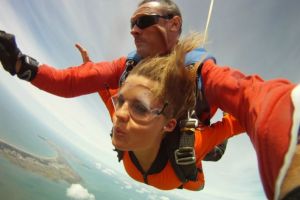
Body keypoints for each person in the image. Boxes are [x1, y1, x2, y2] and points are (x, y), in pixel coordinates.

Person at [0, 0, 299, 199]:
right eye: (132, 22)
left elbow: (251, 96)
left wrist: (289, 138)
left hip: (188, 144)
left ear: (174, 25)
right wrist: (23, 66)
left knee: (207, 141)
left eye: (143, 21)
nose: (133, 29)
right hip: (157, 138)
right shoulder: (128, 68)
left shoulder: (200, 71)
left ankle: (213, 145)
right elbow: (77, 84)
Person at [109, 33, 245, 190]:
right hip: (177, 166)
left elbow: (232, 126)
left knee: (215, 154)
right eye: (120, 101)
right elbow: (105, 90)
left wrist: (230, 102)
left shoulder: (192, 145)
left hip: (189, 170)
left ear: (169, 124)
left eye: (140, 108)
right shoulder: (121, 123)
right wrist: (89, 68)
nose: (118, 114)